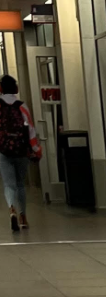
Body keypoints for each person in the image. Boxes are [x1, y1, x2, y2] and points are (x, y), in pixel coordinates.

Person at [0, 75, 37, 234]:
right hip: (21, 150)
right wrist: (35, 149)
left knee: (9, 184)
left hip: (3, 151)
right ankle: (23, 216)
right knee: (21, 184)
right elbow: (30, 129)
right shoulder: (22, 106)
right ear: (15, 89)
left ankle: (12, 209)